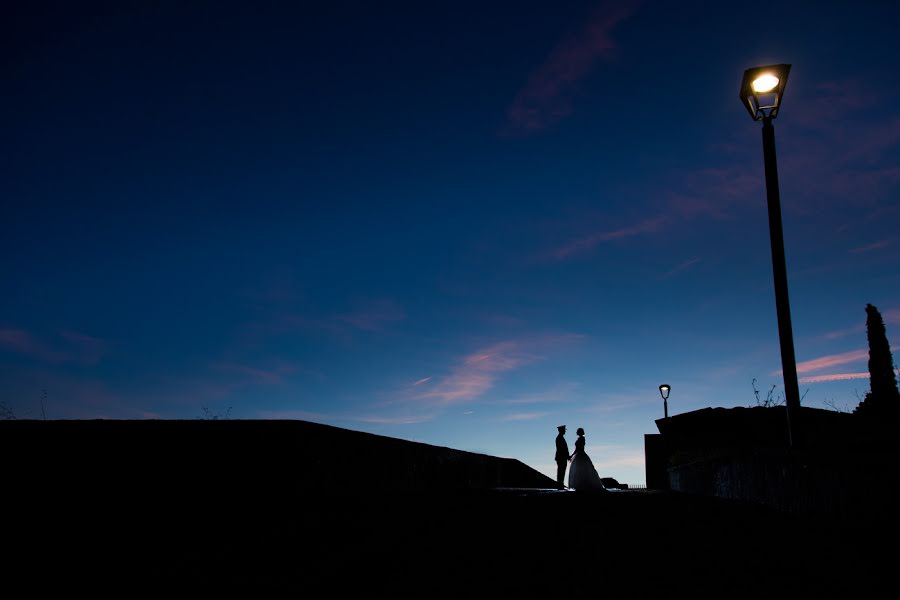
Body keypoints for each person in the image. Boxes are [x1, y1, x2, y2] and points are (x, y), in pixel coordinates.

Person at [568, 427, 606, 492]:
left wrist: (571, 456)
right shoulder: (581, 439)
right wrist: (572, 455)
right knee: (581, 470)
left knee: (580, 470)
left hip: (580, 455)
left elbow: (578, 449)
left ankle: (581, 484)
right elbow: (577, 449)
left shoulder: (581, 439)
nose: (576, 432)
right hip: (580, 454)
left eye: (577, 431)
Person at [554, 425, 569, 489]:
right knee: (561, 471)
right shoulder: (560, 438)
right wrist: (567, 456)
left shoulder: (560, 437)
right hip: (561, 457)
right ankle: (560, 485)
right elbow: (562, 449)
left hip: (561, 457)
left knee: (561, 471)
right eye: (564, 430)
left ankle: (560, 484)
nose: (565, 431)